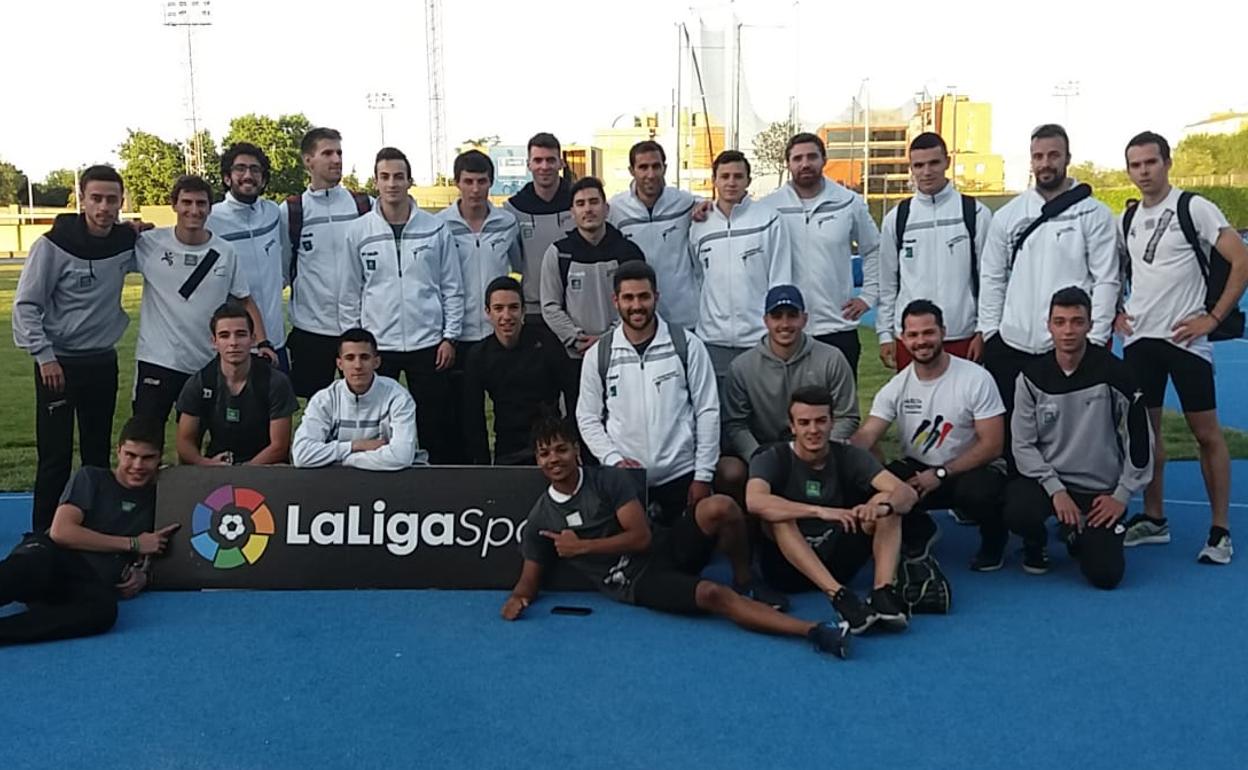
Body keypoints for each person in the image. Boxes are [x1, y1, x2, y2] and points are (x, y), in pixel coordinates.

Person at [500, 415, 852, 659]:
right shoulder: (540, 519)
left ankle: (747, 581)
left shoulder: (608, 480)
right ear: (538, 461)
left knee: (720, 506)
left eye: (561, 449)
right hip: (637, 581)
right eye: (545, 454)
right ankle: (814, 631)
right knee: (714, 593)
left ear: (576, 449)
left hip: (662, 544)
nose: (554, 459)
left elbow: (640, 538)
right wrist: (519, 599)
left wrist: (582, 547)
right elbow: (528, 580)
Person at [577, 261, 787, 608]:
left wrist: (703, 474)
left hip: (681, 478)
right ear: (616, 301)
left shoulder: (686, 345)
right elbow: (586, 417)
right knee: (644, 556)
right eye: (628, 298)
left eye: (643, 296)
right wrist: (613, 460)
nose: (637, 305)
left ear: (656, 296)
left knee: (721, 512)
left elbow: (707, 410)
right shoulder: (599, 354)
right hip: (629, 484)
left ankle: (746, 580)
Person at [1116, 131, 1248, 564]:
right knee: (1148, 433)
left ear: (1167, 163)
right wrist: (1117, 312)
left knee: (1206, 434)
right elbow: (1115, 271)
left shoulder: (1195, 207)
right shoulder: (1128, 218)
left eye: (1150, 163)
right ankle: (1154, 519)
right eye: (1135, 165)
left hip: (1187, 340)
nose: (1143, 172)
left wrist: (1212, 317)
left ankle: (1220, 530)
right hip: (1140, 341)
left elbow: (1241, 260)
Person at [978, 124, 1118, 467]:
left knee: (1071, 433)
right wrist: (991, 332)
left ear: (1067, 158)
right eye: (1038, 156)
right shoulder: (1009, 215)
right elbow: (992, 277)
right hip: (1012, 343)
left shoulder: (1094, 214)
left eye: (1053, 155)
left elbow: (1106, 279)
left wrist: (1096, 339)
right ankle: (1016, 501)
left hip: (1066, 345)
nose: (1045, 163)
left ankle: (1079, 501)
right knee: (1014, 433)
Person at [13, 165, 136, 532]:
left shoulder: (125, 243)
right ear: (81, 200)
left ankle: (93, 528)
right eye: (96, 198)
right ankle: (43, 534)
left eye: (111, 200)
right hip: (58, 365)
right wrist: (44, 356)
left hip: (102, 362)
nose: (103, 207)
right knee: (55, 457)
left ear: (121, 203)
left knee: (97, 453)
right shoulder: (51, 246)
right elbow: (26, 306)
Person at [1005, 287, 1153, 587]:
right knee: (1016, 508)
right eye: (1060, 322)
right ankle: (1036, 542)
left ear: (1090, 325)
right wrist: (1055, 488)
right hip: (1051, 484)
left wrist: (1121, 496)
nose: (1068, 330)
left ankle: (1079, 532)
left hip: (1100, 491)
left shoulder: (1116, 373)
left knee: (1106, 576)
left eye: (1076, 321)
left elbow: (1140, 440)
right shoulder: (1031, 377)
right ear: (1048, 326)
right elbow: (1022, 444)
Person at [851, 300, 1009, 571]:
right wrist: (840, 453)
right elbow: (868, 434)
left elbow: (993, 446)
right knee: (868, 481)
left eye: (928, 333)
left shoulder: (976, 378)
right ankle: (921, 530)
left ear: (943, 333)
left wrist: (941, 474)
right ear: (902, 338)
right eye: (913, 335)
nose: (921, 341)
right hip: (919, 467)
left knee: (979, 492)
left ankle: (994, 540)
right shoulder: (897, 386)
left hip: (969, 468)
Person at [747, 387, 919, 634]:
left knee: (885, 498)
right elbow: (754, 501)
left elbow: (906, 493)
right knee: (778, 515)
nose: (813, 430)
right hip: (786, 568)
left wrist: (881, 507)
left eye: (820, 421)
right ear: (792, 427)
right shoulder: (772, 457)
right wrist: (818, 511)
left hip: (838, 555)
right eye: (804, 423)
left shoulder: (850, 456)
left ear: (831, 423)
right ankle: (839, 598)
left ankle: (883, 592)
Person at [0, 417, 180, 646]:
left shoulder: (161, 497)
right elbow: (61, 533)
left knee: (103, 611)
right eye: (130, 455)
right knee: (32, 565)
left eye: (147, 458)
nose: (137, 466)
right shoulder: (92, 478)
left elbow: (167, 547)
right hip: (52, 555)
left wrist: (144, 575)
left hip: (86, 581)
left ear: (159, 458)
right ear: (118, 451)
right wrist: (132, 543)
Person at [340, 147, 465, 464]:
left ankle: (437, 488)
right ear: (376, 182)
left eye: (398, 176)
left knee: (435, 423)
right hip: (379, 344)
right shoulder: (358, 232)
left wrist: (449, 337)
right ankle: (385, 488)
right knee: (379, 424)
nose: (392, 183)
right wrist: (354, 346)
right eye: (385, 177)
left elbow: (452, 286)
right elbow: (350, 292)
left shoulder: (435, 228)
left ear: (410, 181)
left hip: (428, 343)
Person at [132, 175, 273, 423]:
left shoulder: (225, 252)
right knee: (146, 438)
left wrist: (263, 343)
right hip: (157, 361)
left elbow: (245, 300)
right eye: (186, 202)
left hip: (206, 363)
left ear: (210, 207)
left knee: (195, 445)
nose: (194, 210)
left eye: (201, 203)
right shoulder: (148, 243)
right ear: (174, 205)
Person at [718, 284, 859, 501]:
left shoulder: (832, 358)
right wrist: (761, 459)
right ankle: (748, 526)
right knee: (729, 471)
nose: (785, 324)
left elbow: (848, 415)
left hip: (820, 445)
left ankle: (855, 520)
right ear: (765, 320)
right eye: (777, 316)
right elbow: (735, 424)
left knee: (870, 452)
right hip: (766, 450)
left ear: (804, 319)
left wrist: (819, 451)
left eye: (792, 316)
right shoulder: (742, 367)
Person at [762, 133, 880, 377]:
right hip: (787, 329)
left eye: (812, 157)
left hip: (837, 328)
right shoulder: (767, 208)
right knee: (787, 413)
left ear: (824, 160)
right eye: (798, 158)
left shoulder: (849, 202)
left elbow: (874, 249)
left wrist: (868, 296)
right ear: (789, 164)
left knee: (840, 411)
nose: (805, 164)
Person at [876, 132, 992, 370]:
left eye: (934, 163)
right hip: (912, 339)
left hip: (962, 335)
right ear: (911, 168)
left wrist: (984, 330)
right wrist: (885, 335)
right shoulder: (897, 219)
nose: (926, 172)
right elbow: (887, 284)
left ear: (947, 162)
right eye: (918, 165)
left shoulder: (975, 213)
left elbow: (991, 279)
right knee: (915, 407)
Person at [541, 176, 645, 420]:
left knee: (623, 420)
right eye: (580, 203)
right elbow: (550, 305)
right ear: (572, 212)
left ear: (606, 208)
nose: (588, 209)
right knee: (582, 421)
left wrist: (608, 339)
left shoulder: (628, 252)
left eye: (594, 202)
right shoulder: (559, 253)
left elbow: (638, 304)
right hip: (575, 358)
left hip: (621, 354)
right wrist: (576, 338)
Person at [280, 127, 372, 398]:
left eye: (339, 153)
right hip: (311, 331)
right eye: (327, 153)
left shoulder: (363, 205)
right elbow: (284, 269)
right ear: (308, 160)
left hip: (359, 326)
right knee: (317, 411)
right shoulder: (292, 211)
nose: (336, 160)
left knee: (363, 406)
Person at [689, 150, 793, 379]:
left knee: (763, 412)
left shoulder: (769, 219)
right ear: (714, 180)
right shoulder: (699, 225)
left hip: (758, 340)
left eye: (738, 176)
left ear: (748, 180)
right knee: (721, 413)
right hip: (712, 341)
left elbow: (780, 278)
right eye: (724, 176)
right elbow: (698, 277)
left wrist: (774, 331)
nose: (731, 182)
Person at [175, 302, 298, 466]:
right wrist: (207, 464)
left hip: (265, 467)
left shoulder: (275, 382)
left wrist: (242, 472)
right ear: (214, 342)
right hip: (217, 466)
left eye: (240, 334)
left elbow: (279, 446)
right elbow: (184, 442)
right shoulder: (200, 383)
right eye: (224, 336)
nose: (233, 342)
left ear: (253, 339)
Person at [463, 276, 565, 465]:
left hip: (549, 443)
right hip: (508, 445)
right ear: (488, 312)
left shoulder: (547, 343)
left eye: (513, 308)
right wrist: (483, 465)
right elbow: (473, 416)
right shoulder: (478, 356)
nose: (507, 316)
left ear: (524, 310)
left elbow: (572, 392)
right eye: (499, 309)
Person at [292, 328, 427, 470]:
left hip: (388, 478)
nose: (357, 366)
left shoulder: (398, 397)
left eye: (364, 357)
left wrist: (348, 459)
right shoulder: (324, 399)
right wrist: (354, 446)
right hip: (336, 482)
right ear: (339, 364)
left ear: (376, 362)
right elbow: (301, 455)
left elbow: (401, 457)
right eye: (350, 358)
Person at [208, 143, 287, 370]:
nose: (248, 175)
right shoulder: (212, 219)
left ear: (263, 179)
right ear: (226, 177)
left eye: (255, 169)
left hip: (274, 341)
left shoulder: (273, 213)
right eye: (240, 168)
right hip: (234, 346)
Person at [608, 140, 700, 331]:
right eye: (643, 167)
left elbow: (716, 207)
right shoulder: (615, 209)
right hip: (637, 317)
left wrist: (706, 206)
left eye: (656, 166)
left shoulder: (684, 202)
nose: (650, 174)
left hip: (684, 318)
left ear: (664, 168)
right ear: (632, 170)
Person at [439, 149, 522, 350]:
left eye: (481, 181)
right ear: (457, 182)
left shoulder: (508, 223)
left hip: (497, 332)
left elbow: (519, 270)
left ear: (491, 182)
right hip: (456, 334)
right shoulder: (439, 225)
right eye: (468, 181)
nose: (475, 189)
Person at [504, 132, 574, 323]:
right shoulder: (513, 209)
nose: (544, 167)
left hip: (575, 305)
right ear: (529, 164)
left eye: (551, 160)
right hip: (534, 309)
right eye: (538, 160)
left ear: (561, 163)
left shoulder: (578, 203)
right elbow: (515, 259)